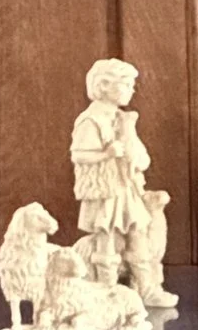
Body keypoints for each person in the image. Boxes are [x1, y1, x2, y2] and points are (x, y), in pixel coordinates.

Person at [70, 58, 177, 309]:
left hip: (128, 190)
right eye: (126, 84)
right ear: (104, 86)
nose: (132, 90)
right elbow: (78, 155)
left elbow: (141, 158)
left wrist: (130, 139)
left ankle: (147, 289)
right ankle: (108, 294)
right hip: (106, 193)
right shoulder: (90, 120)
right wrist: (106, 154)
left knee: (138, 236)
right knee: (106, 242)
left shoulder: (122, 119)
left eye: (132, 85)